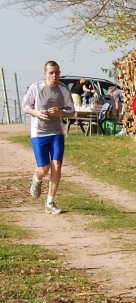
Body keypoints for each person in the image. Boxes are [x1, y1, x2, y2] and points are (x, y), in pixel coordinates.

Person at [23, 60, 75, 214]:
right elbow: (25, 106)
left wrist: (61, 113)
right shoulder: (36, 88)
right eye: (51, 73)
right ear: (45, 74)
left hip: (57, 132)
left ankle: (50, 202)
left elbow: (72, 111)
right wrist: (37, 113)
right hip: (39, 132)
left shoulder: (63, 89)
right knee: (44, 168)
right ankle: (37, 179)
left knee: (57, 166)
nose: (55, 75)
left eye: (57, 72)